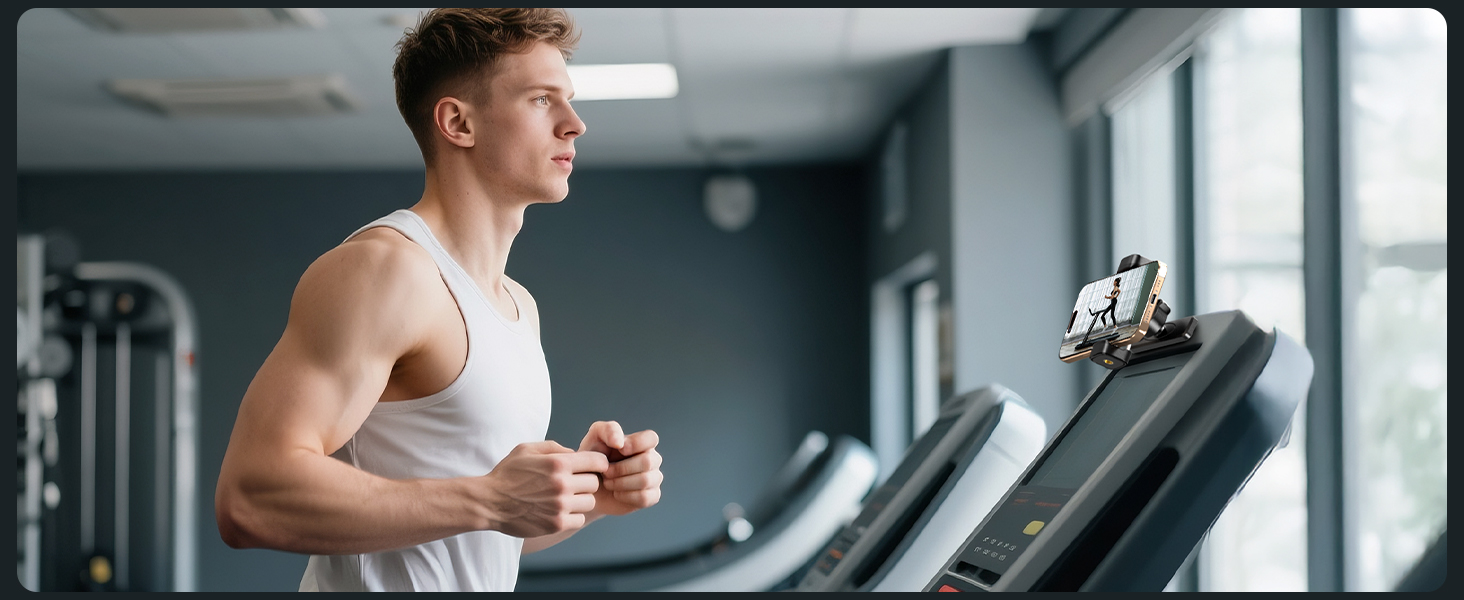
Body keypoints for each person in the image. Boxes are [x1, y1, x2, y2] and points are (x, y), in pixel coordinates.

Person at [213, 8, 663, 592]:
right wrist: (490, 498)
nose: (574, 124)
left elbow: (475, 532)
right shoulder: (385, 269)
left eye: (569, 100)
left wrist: (588, 497)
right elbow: (250, 498)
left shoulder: (516, 305)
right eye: (541, 100)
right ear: (457, 122)